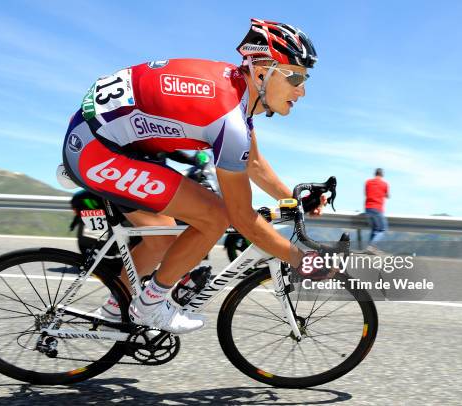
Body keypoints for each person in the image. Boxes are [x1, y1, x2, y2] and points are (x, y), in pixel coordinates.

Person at [62, 18, 324, 334]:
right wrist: (303, 260)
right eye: (295, 77)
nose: (303, 90)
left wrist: (291, 201)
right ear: (261, 71)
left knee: (164, 240)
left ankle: (115, 309)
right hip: (97, 150)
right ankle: (149, 307)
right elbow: (241, 218)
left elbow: (254, 164)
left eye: (305, 78)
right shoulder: (229, 117)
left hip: (108, 137)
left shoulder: (235, 88)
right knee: (215, 217)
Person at [364, 168, 390, 245]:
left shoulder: (368, 182)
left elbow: (366, 193)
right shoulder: (384, 184)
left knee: (374, 229)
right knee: (382, 229)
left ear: (375, 173)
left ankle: (370, 248)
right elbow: (387, 195)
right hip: (377, 208)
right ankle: (371, 246)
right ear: (382, 174)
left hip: (368, 208)